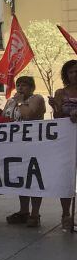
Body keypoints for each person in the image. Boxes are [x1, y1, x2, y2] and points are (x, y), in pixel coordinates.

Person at [3, 76, 47, 228]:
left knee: (33, 178)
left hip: (33, 145)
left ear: (32, 87)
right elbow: (5, 119)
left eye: (25, 85)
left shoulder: (37, 98)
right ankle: (23, 211)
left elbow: (29, 114)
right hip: (16, 145)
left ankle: (35, 213)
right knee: (21, 178)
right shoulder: (11, 101)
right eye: (18, 84)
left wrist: (20, 101)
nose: (20, 87)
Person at [49, 59, 77, 232]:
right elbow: (57, 118)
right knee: (66, 178)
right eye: (71, 72)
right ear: (66, 74)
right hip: (67, 143)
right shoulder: (60, 92)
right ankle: (66, 215)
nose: (74, 74)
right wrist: (56, 107)